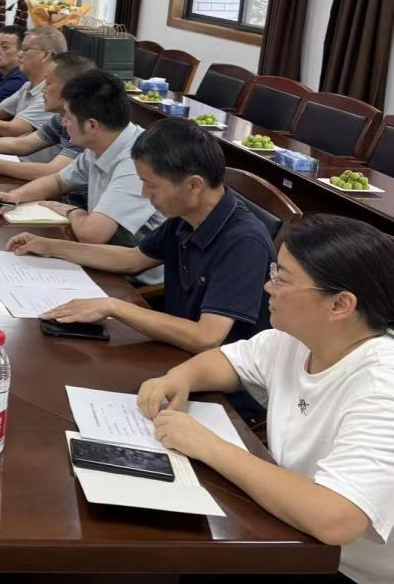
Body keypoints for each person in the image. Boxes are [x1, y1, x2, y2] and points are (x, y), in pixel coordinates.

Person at [137, 215, 394, 583]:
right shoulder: (298, 338)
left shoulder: (382, 386)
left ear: (339, 305)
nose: (267, 286)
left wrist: (207, 445)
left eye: (282, 279)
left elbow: (336, 519)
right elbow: (227, 361)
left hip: (343, 567)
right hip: (288, 531)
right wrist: (178, 377)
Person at [8, 118, 273, 354]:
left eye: (151, 185)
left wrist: (114, 307)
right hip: (174, 348)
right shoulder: (187, 216)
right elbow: (133, 258)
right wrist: (50, 247)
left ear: (194, 185)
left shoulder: (244, 242)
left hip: (217, 375)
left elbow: (206, 337)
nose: (145, 195)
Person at [0, 69, 164, 244]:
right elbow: (58, 181)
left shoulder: (137, 161)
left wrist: (71, 211)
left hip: (132, 260)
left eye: (68, 117)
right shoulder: (103, 143)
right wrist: (15, 196)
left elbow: (92, 234)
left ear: (92, 125)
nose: (64, 123)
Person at [0, 52, 94, 178]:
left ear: (69, 89)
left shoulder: (84, 128)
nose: (43, 89)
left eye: (49, 83)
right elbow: (23, 144)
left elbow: (54, 172)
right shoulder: (59, 119)